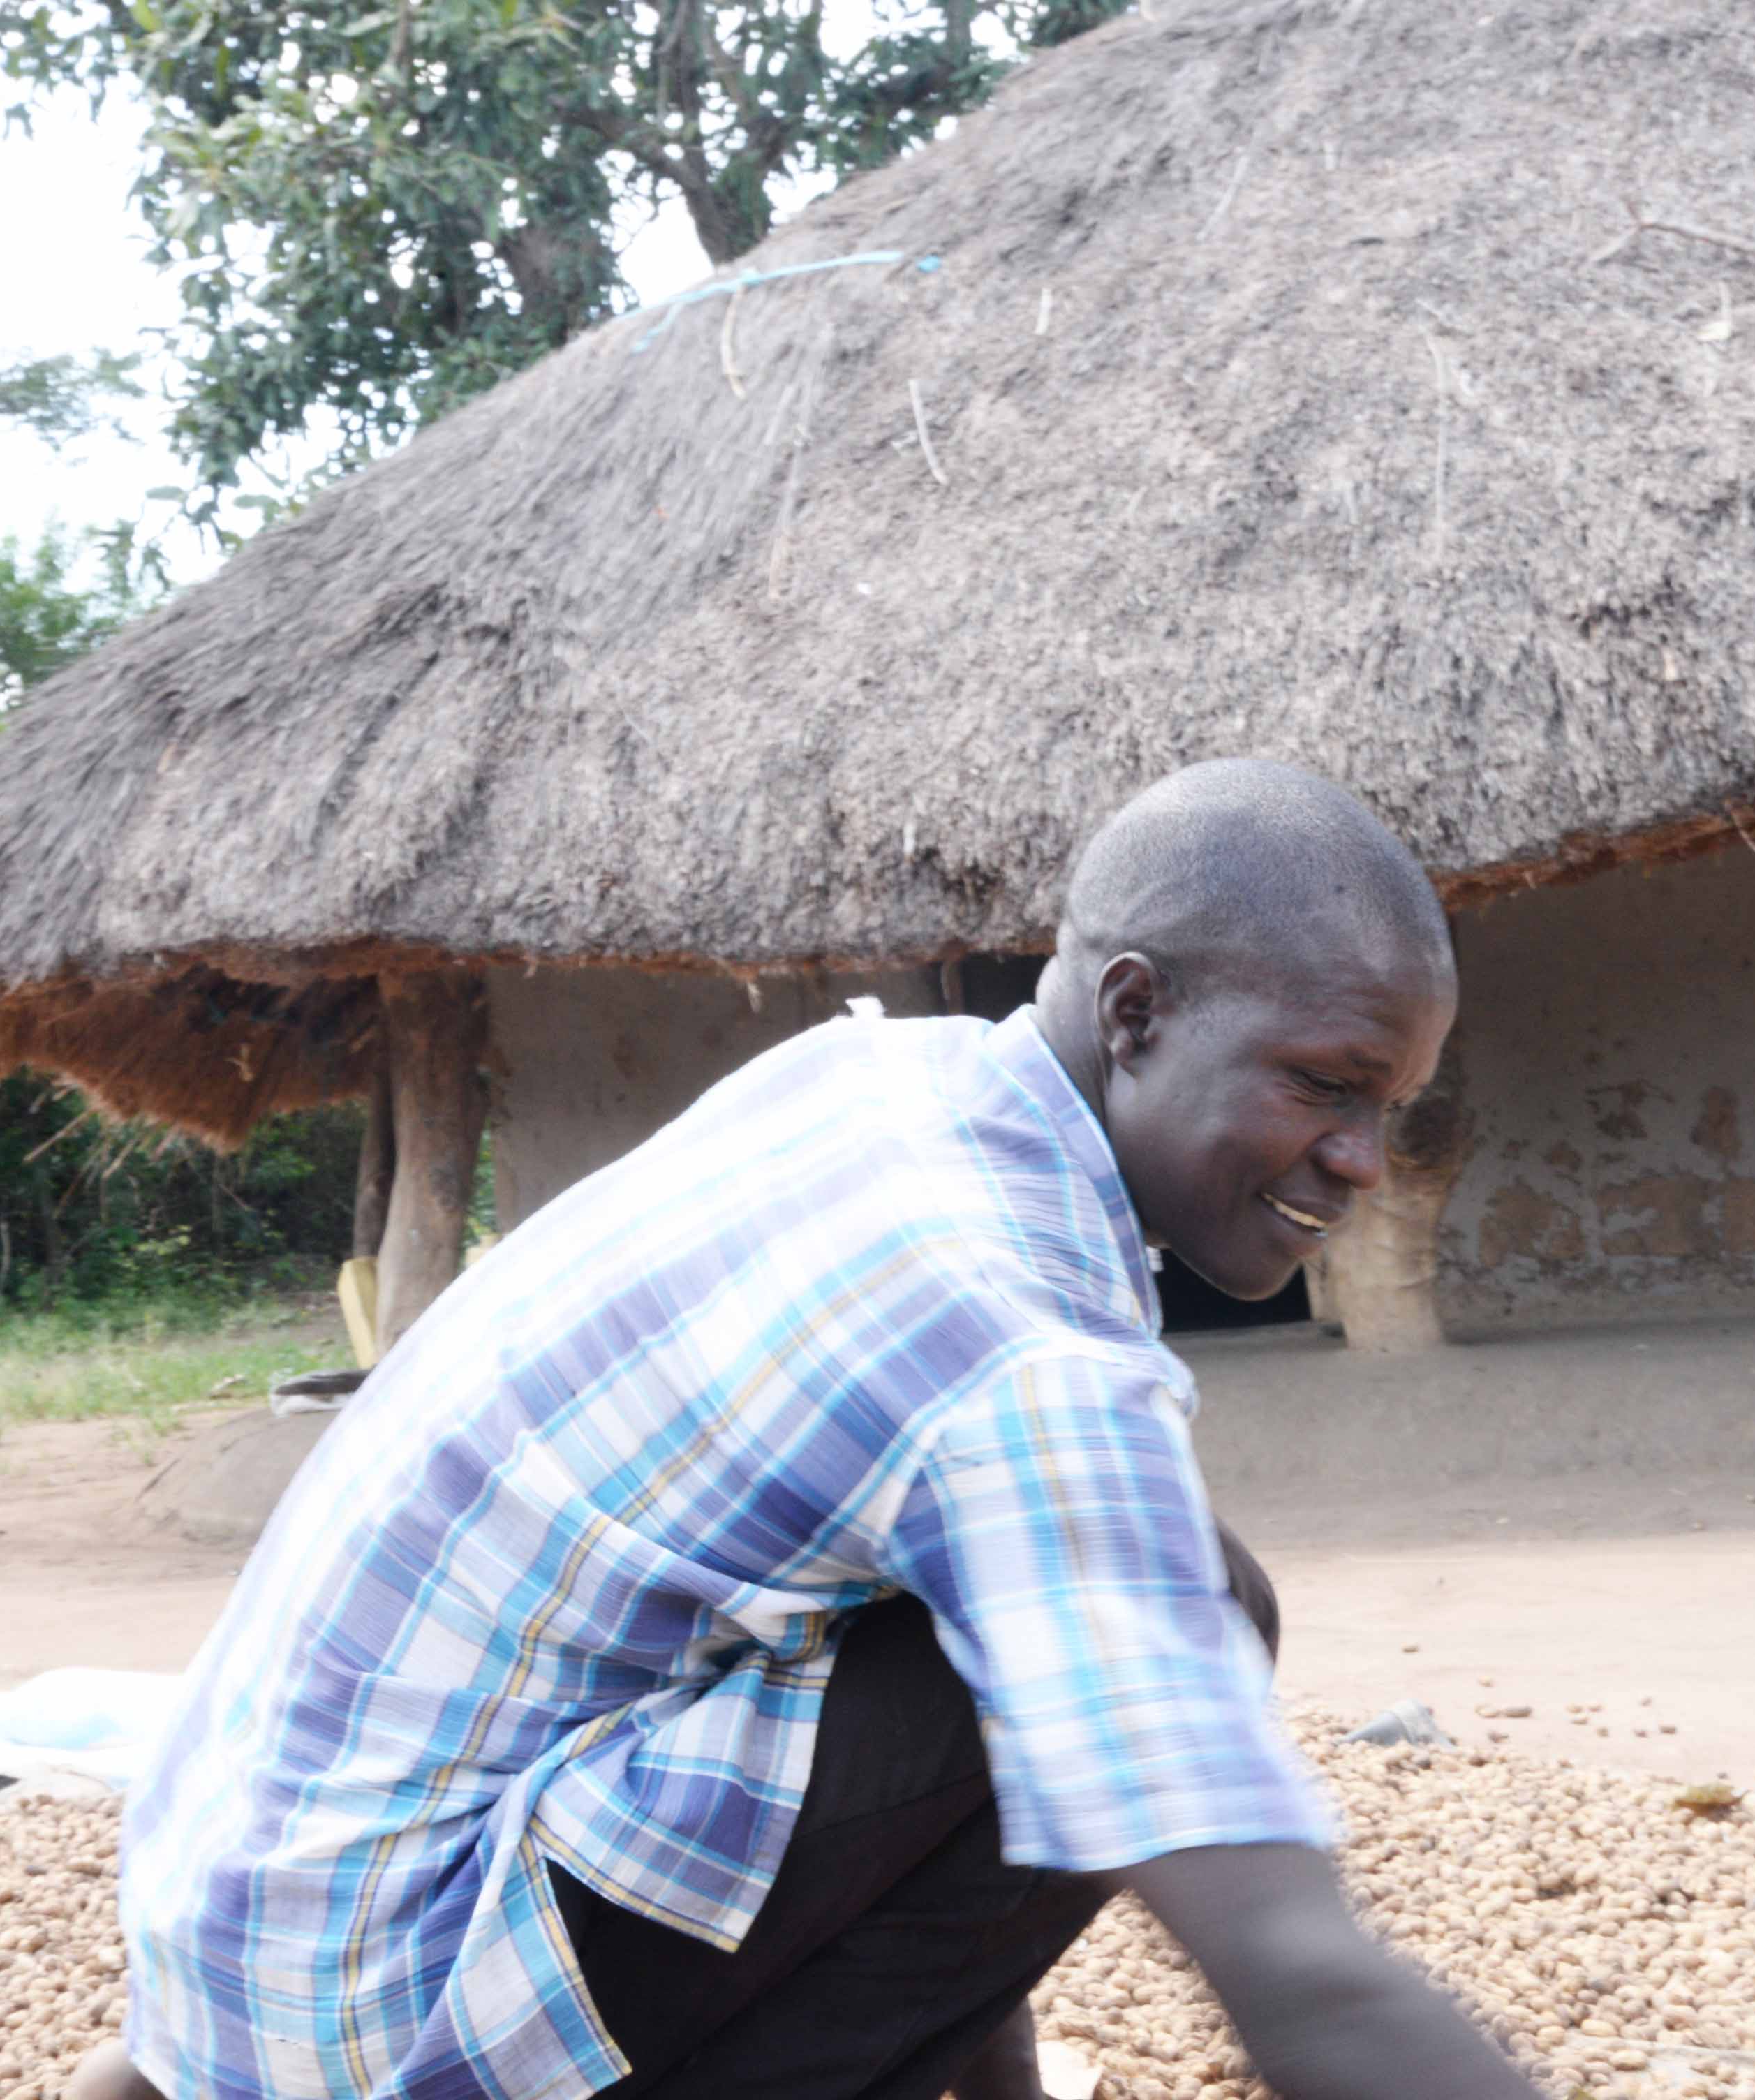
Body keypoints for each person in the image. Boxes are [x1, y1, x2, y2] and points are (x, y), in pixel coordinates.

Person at [73, 759, 1536, 2100]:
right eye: (1323, 1084)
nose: (1359, 1159)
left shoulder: (889, 1079)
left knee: (1066, 1609)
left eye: (1389, 1108)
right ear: (1138, 1012)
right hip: (371, 2007)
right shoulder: (1011, 1338)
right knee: (1180, 1608)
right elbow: (1294, 1971)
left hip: (239, 1931)